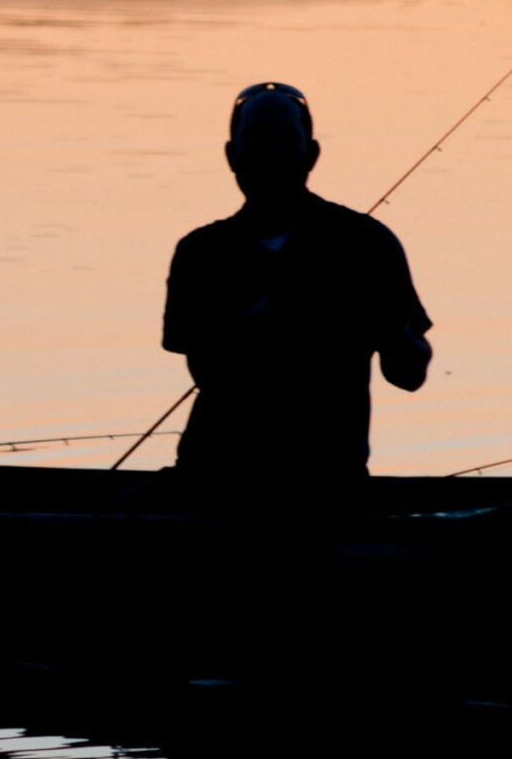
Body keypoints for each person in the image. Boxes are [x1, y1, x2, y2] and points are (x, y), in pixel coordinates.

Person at [162, 83, 431, 488]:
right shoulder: (201, 252)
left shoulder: (366, 242)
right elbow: (206, 370)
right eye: (257, 140)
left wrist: (386, 326)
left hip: (329, 478)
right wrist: (268, 318)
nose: (270, 153)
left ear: (312, 154)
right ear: (232, 157)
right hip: (213, 475)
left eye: (283, 139)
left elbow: (409, 375)